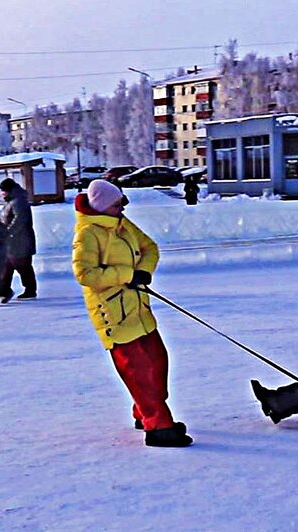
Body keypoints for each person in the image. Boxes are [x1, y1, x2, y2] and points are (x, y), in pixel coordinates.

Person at [72, 179, 193, 448]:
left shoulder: (122, 224)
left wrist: (143, 272)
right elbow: (85, 274)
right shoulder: (88, 234)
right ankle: (159, 427)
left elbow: (150, 248)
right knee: (138, 372)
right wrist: (127, 275)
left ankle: (145, 411)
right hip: (112, 314)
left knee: (157, 362)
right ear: (103, 207)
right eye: (117, 204)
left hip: (139, 308)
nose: (122, 208)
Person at [0, 178, 37, 301]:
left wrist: (8, 232)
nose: (2, 194)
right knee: (7, 266)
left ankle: (30, 290)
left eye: (3, 191)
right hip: (13, 241)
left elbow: (20, 220)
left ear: (9, 191)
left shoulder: (18, 202)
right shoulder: (12, 201)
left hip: (20, 241)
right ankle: (4, 290)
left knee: (22, 266)